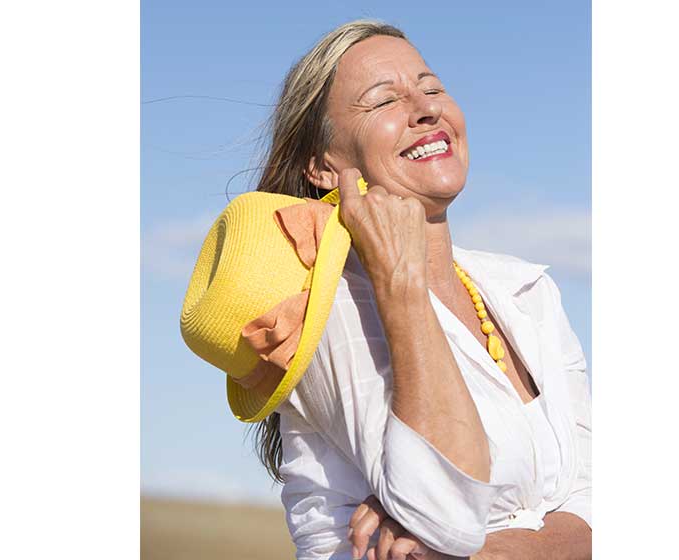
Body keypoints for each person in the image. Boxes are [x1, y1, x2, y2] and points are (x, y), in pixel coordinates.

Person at [248, 20, 592, 560]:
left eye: (432, 88)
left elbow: (599, 496)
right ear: (322, 165)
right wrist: (398, 287)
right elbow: (446, 515)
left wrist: (521, 547)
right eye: (384, 100)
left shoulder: (527, 290)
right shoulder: (320, 311)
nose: (425, 108)